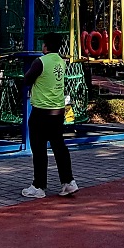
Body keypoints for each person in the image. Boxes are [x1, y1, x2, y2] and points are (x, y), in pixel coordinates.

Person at [21, 31, 78, 198]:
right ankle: (68, 182)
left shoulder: (40, 62)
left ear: (46, 45)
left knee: (39, 149)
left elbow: (27, 80)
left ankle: (39, 185)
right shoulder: (60, 61)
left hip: (41, 111)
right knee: (59, 146)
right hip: (58, 111)